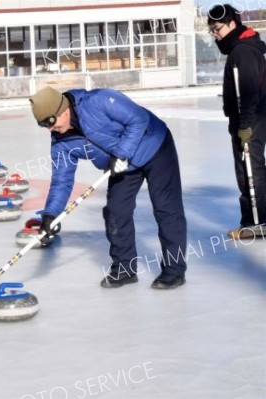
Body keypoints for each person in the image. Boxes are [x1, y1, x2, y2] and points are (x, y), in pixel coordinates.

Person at [29, 86, 187, 289]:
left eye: (50, 121)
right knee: (115, 212)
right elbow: (62, 180)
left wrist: (121, 153)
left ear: (63, 109)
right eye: (43, 125)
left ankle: (174, 271)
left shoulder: (99, 100)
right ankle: (124, 269)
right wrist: (51, 214)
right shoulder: (61, 142)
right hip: (121, 166)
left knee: (166, 209)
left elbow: (139, 119)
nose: (50, 129)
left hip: (155, 146)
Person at [207, 4, 266, 239]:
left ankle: (255, 222)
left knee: (249, 170)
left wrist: (244, 126)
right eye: (211, 31)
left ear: (232, 24)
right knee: (255, 167)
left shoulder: (242, 51)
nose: (215, 35)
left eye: (217, 29)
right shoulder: (246, 46)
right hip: (254, 118)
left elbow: (249, 91)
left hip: (251, 121)